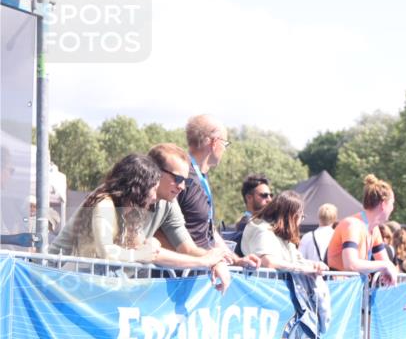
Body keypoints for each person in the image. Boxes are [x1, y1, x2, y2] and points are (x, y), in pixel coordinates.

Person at [50, 147, 234, 290]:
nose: (182, 187)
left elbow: (172, 248)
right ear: (141, 185)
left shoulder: (139, 206)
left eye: (186, 181)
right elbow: (110, 253)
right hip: (65, 283)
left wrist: (215, 259)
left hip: (96, 287)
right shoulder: (104, 202)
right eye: (178, 179)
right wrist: (203, 262)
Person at [325, 174, 398, 285]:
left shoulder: (374, 229)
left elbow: (386, 262)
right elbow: (350, 265)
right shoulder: (352, 225)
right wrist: (385, 266)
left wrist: (388, 268)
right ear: (383, 205)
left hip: (352, 290)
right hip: (338, 292)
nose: (393, 208)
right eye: (392, 203)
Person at [178, 114, 231, 252]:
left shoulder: (201, 176)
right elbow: (164, 228)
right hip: (183, 270)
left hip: (200, 267)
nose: (225, 149)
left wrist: (236, 260)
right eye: (225, 144)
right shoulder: (182, 177)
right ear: (215, 143)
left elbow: (208, 227)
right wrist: (204, 258)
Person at [240, 191, 326, 273]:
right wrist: (301, 269)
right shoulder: (262, 230)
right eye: (301, 216)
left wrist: (314, 265)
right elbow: (269, 262)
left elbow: (296, 261)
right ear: (292, 217)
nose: (300, 222)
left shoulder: (281, 235)